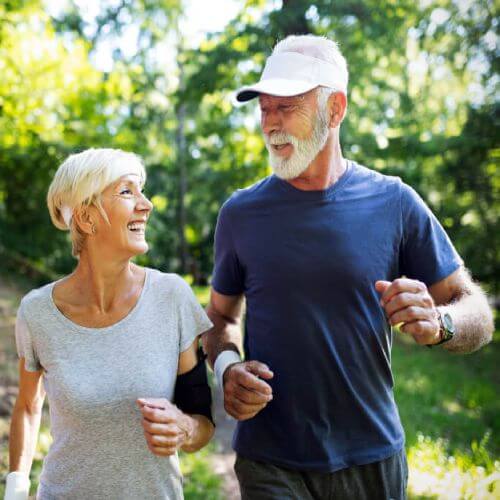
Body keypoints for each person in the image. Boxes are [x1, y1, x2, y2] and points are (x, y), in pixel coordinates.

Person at [201, 35, 494, 499]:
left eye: (287, 107)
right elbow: (218, 317)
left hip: (371, 460)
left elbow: (477, 310)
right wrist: (227, 367)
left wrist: (441, 322)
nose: (270, 125)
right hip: (270, 460)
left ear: (334, 109)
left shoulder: (395, 202)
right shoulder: (239, 213)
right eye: (264, 109)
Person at [6, 148, 215, 500]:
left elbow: (203, 422)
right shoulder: (37, 312)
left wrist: (184, 429)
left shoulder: (172, 297)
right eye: (126, 191)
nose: (146, 205)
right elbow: (28, 406)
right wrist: (15, 489)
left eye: (142, 191)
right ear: (87, 219)